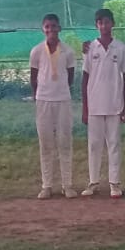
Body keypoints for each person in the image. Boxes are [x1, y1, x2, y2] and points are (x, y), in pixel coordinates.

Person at [81, 8, 125, 199]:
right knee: (94, 145)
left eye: (107, 22)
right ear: (97, 25)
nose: (104, 26)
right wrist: (85, 107)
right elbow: (85, 78)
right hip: (94, 105)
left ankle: (114, 183)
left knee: (114, 144)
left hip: (114, 104)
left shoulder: (121, 48)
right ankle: (93, 182)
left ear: (113, 24)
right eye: (100, 23)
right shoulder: (90, 48)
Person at [30, 13, 78, 199]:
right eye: (47, 26)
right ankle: (47, 185)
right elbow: (33, 78)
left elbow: (70, 77)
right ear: (43, 29)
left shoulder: (68, 51)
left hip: (63, 100)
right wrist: (39, 95)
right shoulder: (36, 51)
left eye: (54, 26)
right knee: (46, 144)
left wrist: (61, 90)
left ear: (59, 28)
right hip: (43, 101)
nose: (51, 30)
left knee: (65, 142)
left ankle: (67, 185)